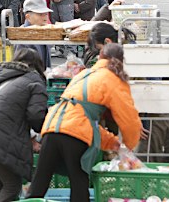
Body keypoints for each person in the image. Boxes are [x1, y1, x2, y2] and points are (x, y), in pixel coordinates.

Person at [27, 43, 142, 202]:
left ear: (100, 57)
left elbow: (83, 116)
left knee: (38, 185)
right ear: (121, 61)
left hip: (52, 126)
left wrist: (112, 143)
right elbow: (129, 119)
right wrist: (129, 146)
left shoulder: (84, 74)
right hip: (74, 134)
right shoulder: (113, 79)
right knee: (79, 185)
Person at [0, 48, 48, 202]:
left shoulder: (5, 77)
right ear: (38, 64)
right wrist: (43, 131)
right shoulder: (34, 81)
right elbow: (36, 115)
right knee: (12, 185)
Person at [19, 0, 52, 69]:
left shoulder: (42, 31)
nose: (45, 18)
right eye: (40, 14)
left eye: (46, 14)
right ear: (28, 17)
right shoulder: (23, 37)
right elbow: (23, 70)